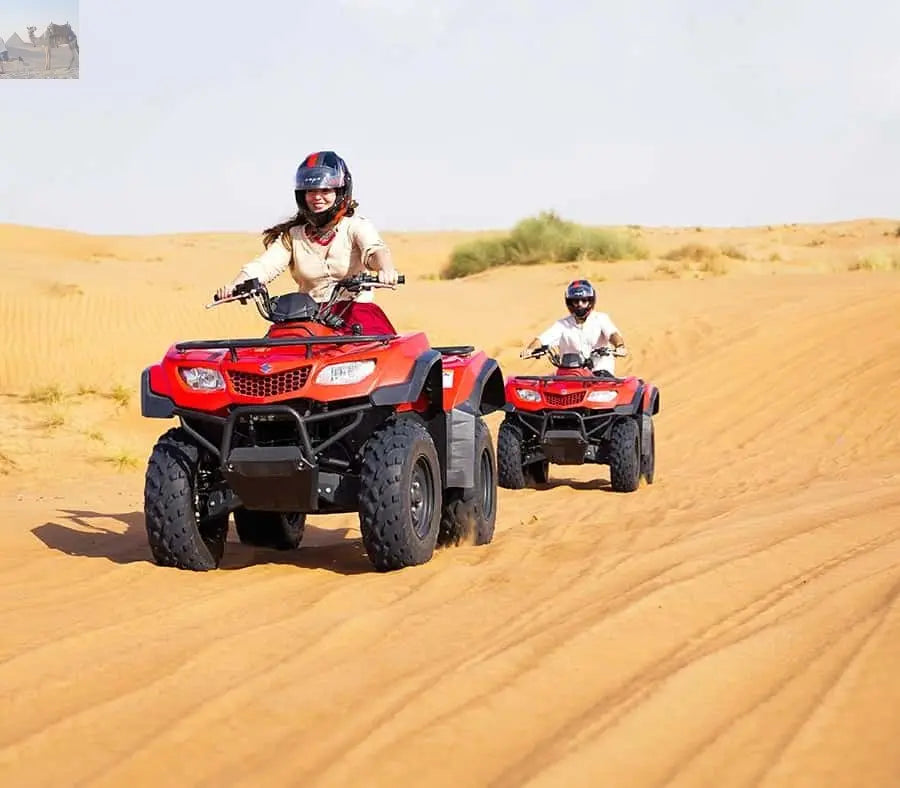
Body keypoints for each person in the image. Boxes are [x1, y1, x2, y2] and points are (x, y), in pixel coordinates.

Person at [215, 151, 399, 333]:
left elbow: (375, 251)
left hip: (354, 314)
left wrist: (386, 269)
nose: (317, 197)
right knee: (273, 355)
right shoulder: (293, 235)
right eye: (311, 191)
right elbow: (264, 266)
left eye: (325, 190)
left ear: (340, 192)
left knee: (380, 354)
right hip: (306, 317)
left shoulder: (355, 226)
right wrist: (235, 285)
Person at [521, 279, 627, 375]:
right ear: (570, 303)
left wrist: (620, 346)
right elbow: (542, 339)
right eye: (576, 301)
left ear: (590, 302)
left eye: (584, 301)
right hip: (570, 373)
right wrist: (530, 350)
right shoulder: (562, 324)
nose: (580, 304)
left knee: (605, 393)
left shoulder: (601, 319)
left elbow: (613, 334)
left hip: (600, 373)